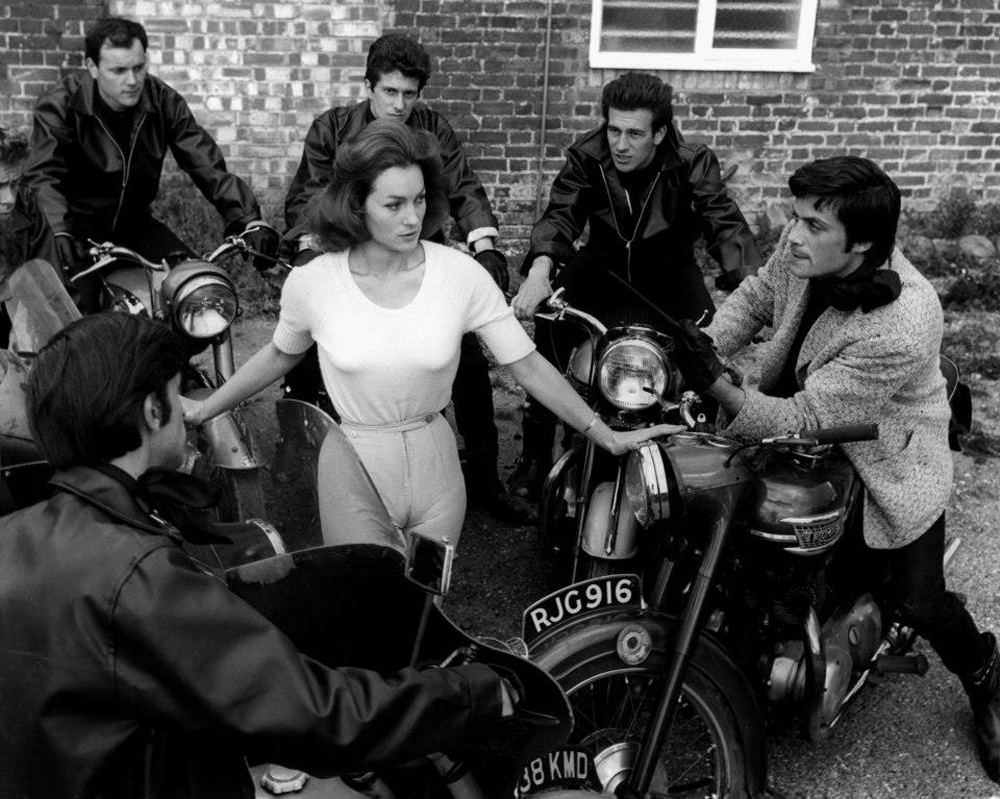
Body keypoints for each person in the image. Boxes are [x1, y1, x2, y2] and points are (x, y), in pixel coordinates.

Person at [0, 311, 525, 798]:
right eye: (176, 394)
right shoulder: (135, 573)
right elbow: (316, 717)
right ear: (151, 411)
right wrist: (473, 694)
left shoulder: (16, 530)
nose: (186, 412)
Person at [184, 120, 676, 553]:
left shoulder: (459, 275)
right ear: (356, 204)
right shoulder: (314, 282)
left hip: (437, 470)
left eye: (419, 200)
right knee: (360, 614)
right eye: (394, 204)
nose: (413, 218)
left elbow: (525, 365)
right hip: (352, 467)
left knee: (424, 617)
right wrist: (207, 408)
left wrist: (603, 433)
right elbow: (277, 356)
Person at [669, 154, 1000, 783]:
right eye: (795, 218)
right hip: (802, 414)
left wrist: (714, 381)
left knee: (920, 600)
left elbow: (804, 416)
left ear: (864, 242)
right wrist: (708, 343)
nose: (793, 235)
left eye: (813, 225)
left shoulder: (904, 319)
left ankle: (986, 676)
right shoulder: (802, 252)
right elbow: (757, 296)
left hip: (885, 455)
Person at [280, 33, 516, 520]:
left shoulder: (431, 129)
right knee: (302, 355)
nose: (400, 104)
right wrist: (311, 253)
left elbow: (464, 185)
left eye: (410, 94)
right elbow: (308, 196)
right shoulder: (332, 128)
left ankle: (486, 478)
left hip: (414, 258)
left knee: (468, 361)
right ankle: (298, 449)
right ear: (369, 86)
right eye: (390, 92)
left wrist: (484, 245)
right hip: (347, 255)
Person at [508, 71, 761, 500]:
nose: (620, 145)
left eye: (634, 133)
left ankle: (698, 458)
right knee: (548, 325)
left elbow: (724, 221)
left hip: (669, 271)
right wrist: (538, 272)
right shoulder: (588, 155)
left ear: (660, 133)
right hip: (601, 265)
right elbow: (561, 215)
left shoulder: (692, 160)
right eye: (614, 130)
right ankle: (536, 453)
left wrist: (754, 292)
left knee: (706, 348)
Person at [23, 16, 275, 310]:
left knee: (197, 293)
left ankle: (177, 357)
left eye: (138, 67)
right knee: (75, 317)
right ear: (92, 67)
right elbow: (42, 174)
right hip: (76, 231)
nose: (132, 81)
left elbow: (206, 164)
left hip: (135, 226)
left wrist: (249, 219)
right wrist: (58, 229)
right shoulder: (59, 105)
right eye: (118, 70)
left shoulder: (162, 100)